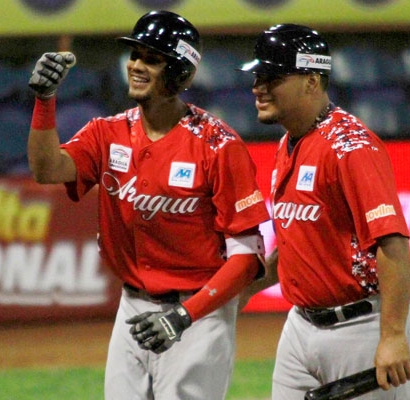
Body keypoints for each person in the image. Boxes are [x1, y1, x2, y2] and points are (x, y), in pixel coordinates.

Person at [25, 10, 272, 400]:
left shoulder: (218, 145)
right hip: (132, 308)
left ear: (180, 72)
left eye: (152, 59)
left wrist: (185, 315)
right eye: (135, 55)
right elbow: (46, 169)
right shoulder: (107, 133)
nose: (136, 66)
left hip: (198, 315)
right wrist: (44, 101)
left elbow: (246, 258)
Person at [237, 24, 410, 399]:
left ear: (311, 81)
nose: (258, 87)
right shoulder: (289, 143)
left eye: (272, 77)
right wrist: (245, 290)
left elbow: (392, 243)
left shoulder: (351, 146)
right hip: (300, 326)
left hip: (362, 327)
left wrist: (392, 336)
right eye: (257, 76)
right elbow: (300, 245)